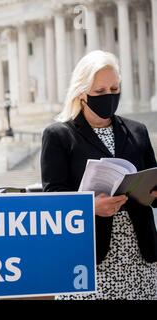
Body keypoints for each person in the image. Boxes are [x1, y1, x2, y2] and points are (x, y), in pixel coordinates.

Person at [41, 50, 157, 300]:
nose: (110, 97)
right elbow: (53, 197)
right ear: (82, 93)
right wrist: (90, 206)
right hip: (89, 258)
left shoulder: (138, 130)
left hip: (140, 255)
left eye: (115, 89)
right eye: (100, 92)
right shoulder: (59, 135)